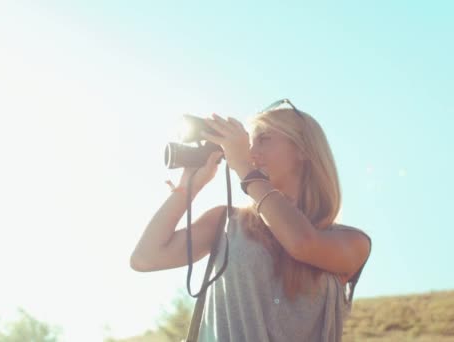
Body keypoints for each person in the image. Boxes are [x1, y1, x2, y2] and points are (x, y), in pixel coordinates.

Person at [130, 99, 372, 341]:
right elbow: (145, 258)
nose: (251, 152)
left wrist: (245, 169)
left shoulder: (352, 242)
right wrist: (187, 189)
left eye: (264, 140)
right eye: (249, 143)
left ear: (303, 150)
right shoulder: (226, 222)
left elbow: (301, 243)